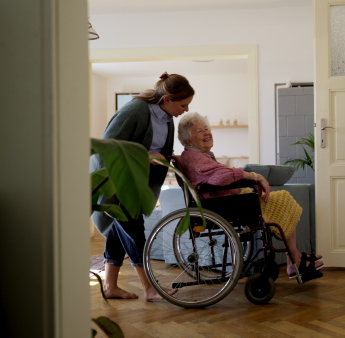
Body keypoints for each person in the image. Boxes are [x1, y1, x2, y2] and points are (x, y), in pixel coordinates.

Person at [175, 112, 324, 278]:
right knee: (282, 198)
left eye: (206, 128)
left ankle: (293, 257)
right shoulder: (195, 157)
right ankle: (294, 259)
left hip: (224, 201)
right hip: (224, 205)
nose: (206, 132)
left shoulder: (196, 156)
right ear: (188, 140)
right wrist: (254, 176)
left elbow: (218, 175)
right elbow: (220, 176)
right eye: (199, 131)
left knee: (282, 198)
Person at [91, 72, 194, 300]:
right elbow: (108, 146)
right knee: (135, 233)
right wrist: (145, 156)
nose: (185, 110)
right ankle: (150, 288)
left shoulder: (167, 119)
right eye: (183, 105)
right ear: (168, 99)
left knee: (119, 232)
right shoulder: (136, 110)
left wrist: (169, 158)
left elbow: (158, 151)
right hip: (116, 181)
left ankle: (110, 286)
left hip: (135, 183)